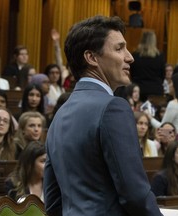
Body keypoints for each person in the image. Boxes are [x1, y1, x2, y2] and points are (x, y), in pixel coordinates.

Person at [43, 15, 162, 216]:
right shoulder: (114, 107)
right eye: (119, 48)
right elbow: (135, 194)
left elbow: (53, 201)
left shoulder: (61, 113)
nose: (130, 57)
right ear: (91, 58)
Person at [130, 30, 165, 102]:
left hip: (139, 90)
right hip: (156, 90)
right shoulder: (159, 56)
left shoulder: (135, 55)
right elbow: (163, 75)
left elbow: (132, 73)